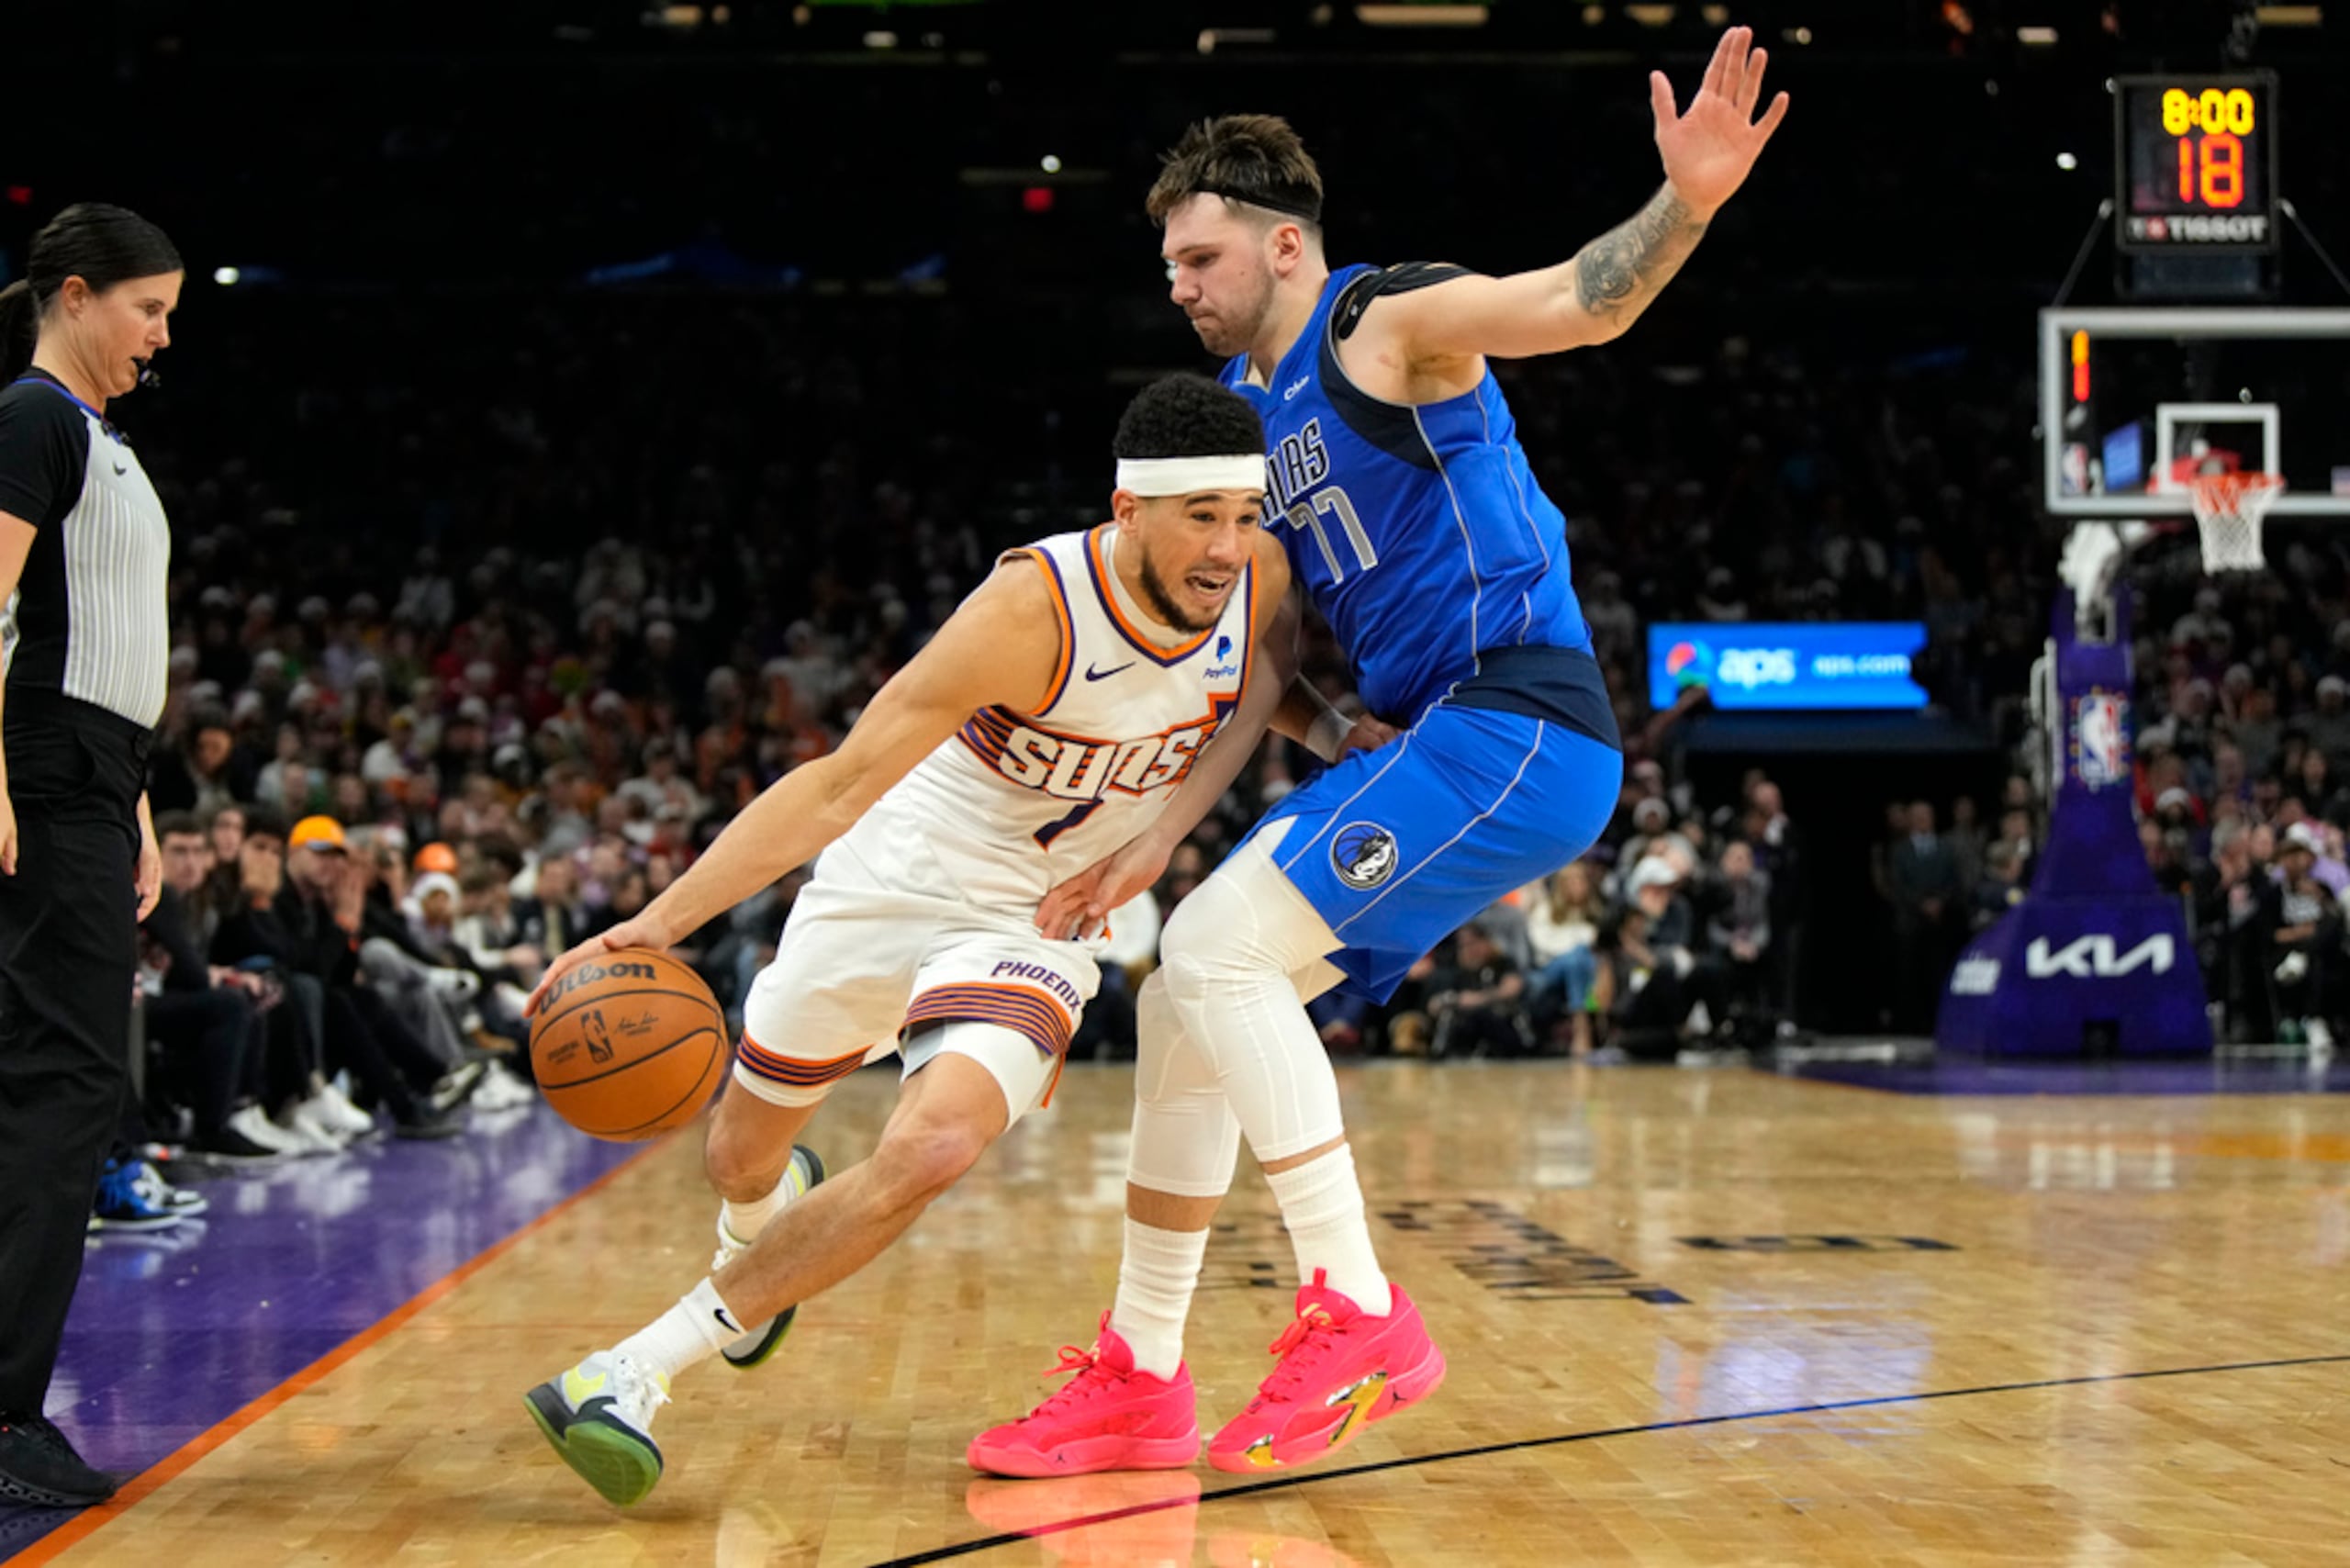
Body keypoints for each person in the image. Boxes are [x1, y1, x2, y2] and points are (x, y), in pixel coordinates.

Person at [973, 27, 1785, 1478]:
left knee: (1218, 956)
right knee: (1185, 1001)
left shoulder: (1382, 323)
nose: (1178, 283)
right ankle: (1143, 1376)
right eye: (1170, 263)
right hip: (1441, 740)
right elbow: (1271, 668)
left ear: (1286, 246)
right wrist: (1158, 835)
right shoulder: (1259, 430)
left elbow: (1580, 305)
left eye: (1203, 256)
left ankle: (1360, 1309)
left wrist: (1691, 203)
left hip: (1522, 718)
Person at [520, 375, 1304, 1507]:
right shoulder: (1031, 608)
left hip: (1026, 920)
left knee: (934, 1144)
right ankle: (763, 1208)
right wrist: (653, 924)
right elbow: (837, 786)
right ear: (1128, 510)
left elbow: (1256, 688)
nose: (1230, 546)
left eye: (1245, 514)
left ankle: (631, 1370)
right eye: (1202, 518)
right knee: (735, 1156)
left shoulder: (1256, 573)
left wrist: (1163, 840)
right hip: (894, 875)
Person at [0, 202, 183, 1507]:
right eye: (149, 310)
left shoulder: (98, 440)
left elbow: (111, 639)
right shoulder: (35, 419)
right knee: (60, 1091)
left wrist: (140, 808)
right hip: (43, 773)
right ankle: (7, 1417)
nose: (161, 339)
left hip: (93, 782)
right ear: (74, 295)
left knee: (59, 1089)